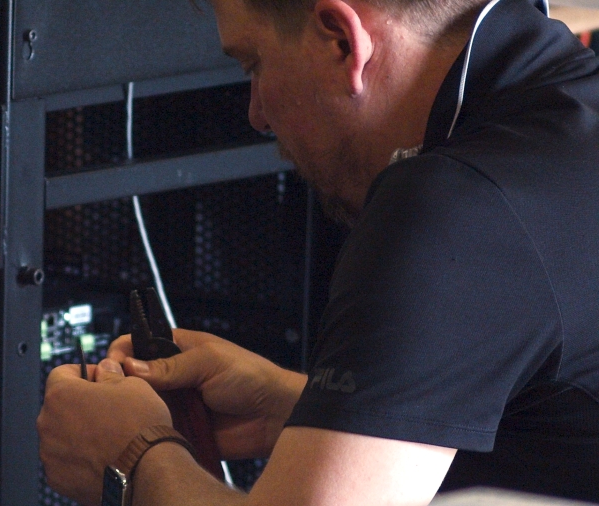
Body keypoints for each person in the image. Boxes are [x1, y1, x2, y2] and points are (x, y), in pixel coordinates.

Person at [38, 0, 599, 504]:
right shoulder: (564, 111)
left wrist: (133, 460)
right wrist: (291, 403)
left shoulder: (456, 203)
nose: (255, 112)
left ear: (340, 40)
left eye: (253, 64)